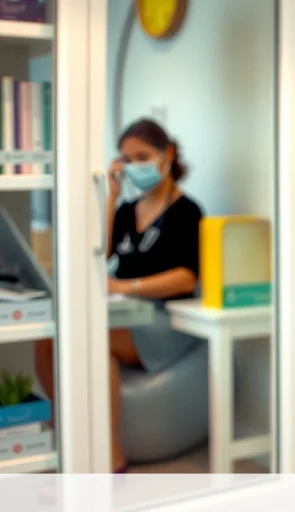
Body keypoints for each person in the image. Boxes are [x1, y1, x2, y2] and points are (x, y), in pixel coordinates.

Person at [34, 118, 204, 472]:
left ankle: (111, 457)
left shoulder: (187, 212)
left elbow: (186, 277)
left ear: (167, 155)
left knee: (98, 339)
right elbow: (103, 252)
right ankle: (66, 434)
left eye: (142, 156)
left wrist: (126, 287)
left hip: (163, 321)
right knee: (45, 341)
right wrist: (110, 198)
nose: (133, 166)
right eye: (126, 159)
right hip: (127, 315)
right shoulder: (127, 211)